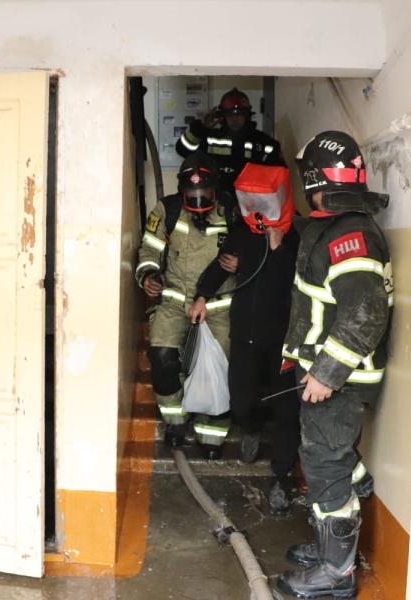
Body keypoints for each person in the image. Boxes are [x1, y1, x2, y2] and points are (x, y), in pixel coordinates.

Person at [277, 131, 394, 598]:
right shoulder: (336, 226)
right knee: (324, 455)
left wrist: (327, 372)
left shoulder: (350, 235)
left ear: (312, 181)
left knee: (325, 463)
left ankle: (336, 574)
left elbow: (366, 312)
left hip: (339, 379)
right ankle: (331, 544)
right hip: (327, 372)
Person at [190, 163, 302, 514]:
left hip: (283, 339)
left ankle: (281, 476)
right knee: (241, 399)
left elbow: (299, 281)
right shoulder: (241, 233)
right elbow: (219, 266)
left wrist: (278, 248)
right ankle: (251, 428)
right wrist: (202, 295)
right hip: (245, 334)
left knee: (286, 409)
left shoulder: (296, 236)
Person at [135, 152, 234, 460]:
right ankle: (176, 421)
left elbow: (250, 248)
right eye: (192, 194)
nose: (198, 200)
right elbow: (149, 248)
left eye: (204, 193)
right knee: (162, 356)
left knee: (219, 367)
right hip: (175, 301)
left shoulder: (232, 210)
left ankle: (211, 432)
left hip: (219, 306)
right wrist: (149, 275)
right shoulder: (168, 210)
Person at [176, 88, 285, 194]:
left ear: (247, 116)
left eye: (239, 114)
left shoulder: (263, 142)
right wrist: (200, 128)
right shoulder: (210, 138)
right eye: (230, 114)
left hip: (250, 201)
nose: (234, 119)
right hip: (216, 200)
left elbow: (279, 174)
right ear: (223, 116)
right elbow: (183, 149)